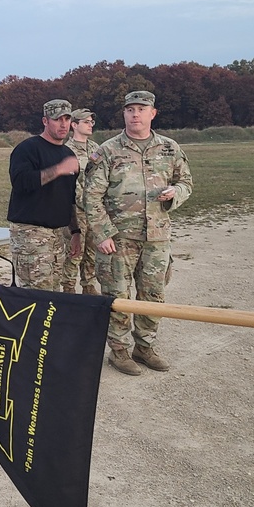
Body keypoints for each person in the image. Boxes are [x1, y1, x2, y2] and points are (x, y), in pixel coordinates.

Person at [84, 90, 193, 376]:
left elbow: (186, 182)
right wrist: (102, 234)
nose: (135, 114)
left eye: (141, 109)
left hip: (157, 237)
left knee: (153, 295)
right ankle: (118, 352)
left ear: (152, 113)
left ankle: (144, 347)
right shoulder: (108, 150)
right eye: (130, 109)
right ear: (124, 114)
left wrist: (176, 193)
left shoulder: (169, 148)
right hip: (118, 238)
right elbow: (91, 196)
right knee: (118, 297)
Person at [6, 98, 82, 291]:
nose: (63, 124)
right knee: (36, 295)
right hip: (31, 233)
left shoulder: (68, 154)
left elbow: (69, 197)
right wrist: (58, 169)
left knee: (53, 292)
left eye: (67, 119)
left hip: (58, 234)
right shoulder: (28, 148)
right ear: (45, 121)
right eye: (57, 119)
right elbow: (21, 182)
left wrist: (75, 232)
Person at [61, 108, 101, 294]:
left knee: (92, 254)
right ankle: (69, 290)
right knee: (74, 253)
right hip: (75, 211)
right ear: (74, 125)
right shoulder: (65, 150)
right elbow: (67, 184)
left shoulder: (96, 149)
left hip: (94, 210)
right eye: (86, 122)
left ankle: (89, 288)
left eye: (92, 121)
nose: (90, 124)